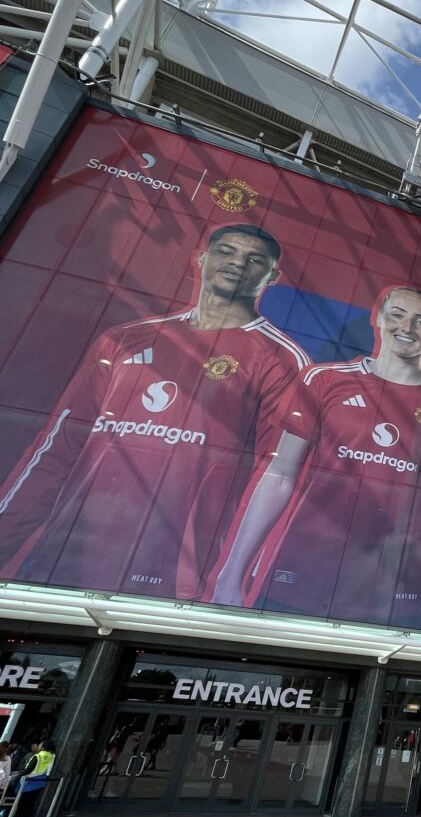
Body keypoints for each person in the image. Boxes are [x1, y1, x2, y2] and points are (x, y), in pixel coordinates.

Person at [0, 224, 306, 599]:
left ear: (271, 277)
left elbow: (274, 476)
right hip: (65, 555)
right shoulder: (125, 339)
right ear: (201, 259)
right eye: (226, 251)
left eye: (254, 259)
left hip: (171, 574)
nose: (238, 263)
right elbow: (59, 446)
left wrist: (231, 580)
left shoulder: (281, 359)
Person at [210, 286, 421, 631]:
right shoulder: (325, 381)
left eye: (420, 321)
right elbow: (280, 475)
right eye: (397, 315)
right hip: (303, 571)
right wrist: (231, 575)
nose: (407, 328)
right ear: (379, 319)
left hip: (395, 585)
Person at [10, 737, 54, 817]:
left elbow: (28, 769)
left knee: (21, 803)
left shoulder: (37, 756)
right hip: (40, 782)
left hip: (29, 781)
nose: (39, 745)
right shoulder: (51, 756)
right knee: (30, 803)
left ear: (43, 746)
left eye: (40, 744)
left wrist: (18, 774)